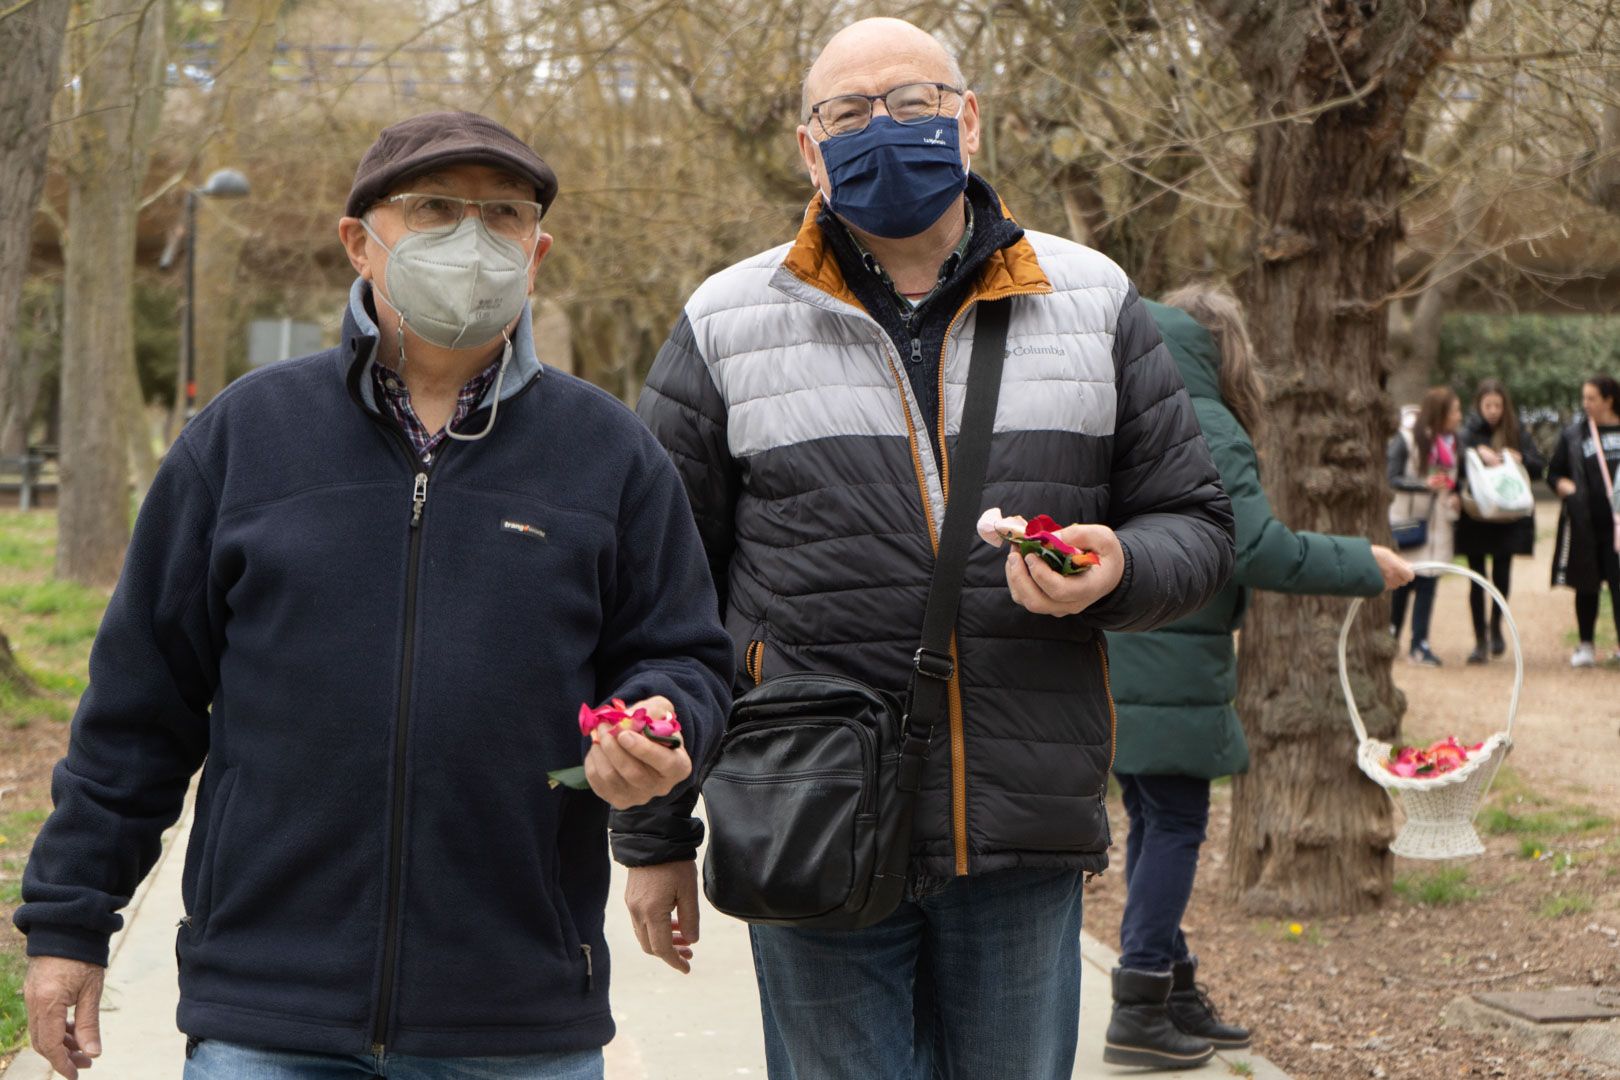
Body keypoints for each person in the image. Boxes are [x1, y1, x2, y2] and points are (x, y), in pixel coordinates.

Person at [14, 111, 732, 1080]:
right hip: (269, 1014)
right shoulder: (243, 440)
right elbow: (137, 713)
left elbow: (685, 655)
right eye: (435, 209)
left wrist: (664, 718)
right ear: (360, 240)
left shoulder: (612, 457)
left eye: (503, 216)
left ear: (539, 251)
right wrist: (70, 925)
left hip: (517, 1018)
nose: (472, 240)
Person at [636, 17, 1235, 1079]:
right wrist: (653, 839)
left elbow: (1197, 526)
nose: (884, 128)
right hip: (806, 818)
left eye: (912, 103)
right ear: (808, 149)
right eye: (849, 113)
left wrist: (1120, 570)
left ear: (968, 121)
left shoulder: (1093, 299)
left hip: (1022, 824)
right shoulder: (726, 321)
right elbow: (657, 601)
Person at [1104, 286, 1414, 1071]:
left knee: (1153, 820)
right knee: (1175, 824)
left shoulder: (1127, 404)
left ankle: (1171, 990)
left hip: (1120, 649)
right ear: (1227, 351)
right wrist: (1362, 564)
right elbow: (1257, 548)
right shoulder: (1207, 422)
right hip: (1174, 652)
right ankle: (1140, 1000)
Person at [1455, 379, 1545, 664]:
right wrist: (1473, 454)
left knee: (1502, 575)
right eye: (1487, 405)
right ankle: (1479, 638)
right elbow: (1452, 463)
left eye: (1497, 405)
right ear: (1479, 406)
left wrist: (1520, 458)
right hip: (1477, 516)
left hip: (1508, 516)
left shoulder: (1516, 432)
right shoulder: (1467, 433)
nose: (1493, 410)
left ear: (1504, 406)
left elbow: (1539, 467)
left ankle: (1496, 625)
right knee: (1477, 578)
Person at [1548, 374, 1620, 667]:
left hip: (1619, 528)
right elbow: (1554, 473)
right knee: (1586, 585)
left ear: (1608, 400)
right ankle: (1586, 644)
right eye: (1584, 398)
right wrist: (1568, 489)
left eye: (1591, 398)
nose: (1586, 404)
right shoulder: (1575, 435)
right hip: (1586, 525)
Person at [1388, 387, 1463, 666]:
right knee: (1401, 584)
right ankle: (1390, 636)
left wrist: (1455, 496)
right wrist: (1423, 486)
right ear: (1440, 413)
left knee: (1428, 584)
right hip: (1408, 523)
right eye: (1455, 410)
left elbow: (1457, 479)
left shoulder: (1453, 443)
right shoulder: (1406, 439)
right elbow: (1391, 477)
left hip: (1438, 526)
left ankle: (1420, 644)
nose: (1459, 416)